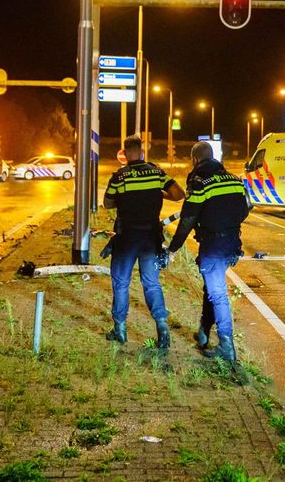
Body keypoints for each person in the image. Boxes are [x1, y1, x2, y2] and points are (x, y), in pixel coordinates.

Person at [167, 142, 250, 362]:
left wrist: (173, 248)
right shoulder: (234, 180)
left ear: (195, 159)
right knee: (211, 289)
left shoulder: (199, 182)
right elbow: (244, 210)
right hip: (232, 244)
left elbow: (187, 219)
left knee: (218, 294)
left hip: (213, 246)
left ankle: (226, 345)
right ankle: (204, 331)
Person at [103, 135, 185, 346]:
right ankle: (163, 330)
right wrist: (157, 193)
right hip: (151, 238)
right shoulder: (157, 172)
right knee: (151, 283)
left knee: (121, 283)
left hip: (127, 238)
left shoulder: (119, 177)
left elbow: (108, 204)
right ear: (140, 151)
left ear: (125, 153)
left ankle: (120, 330)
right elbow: (178, 194)